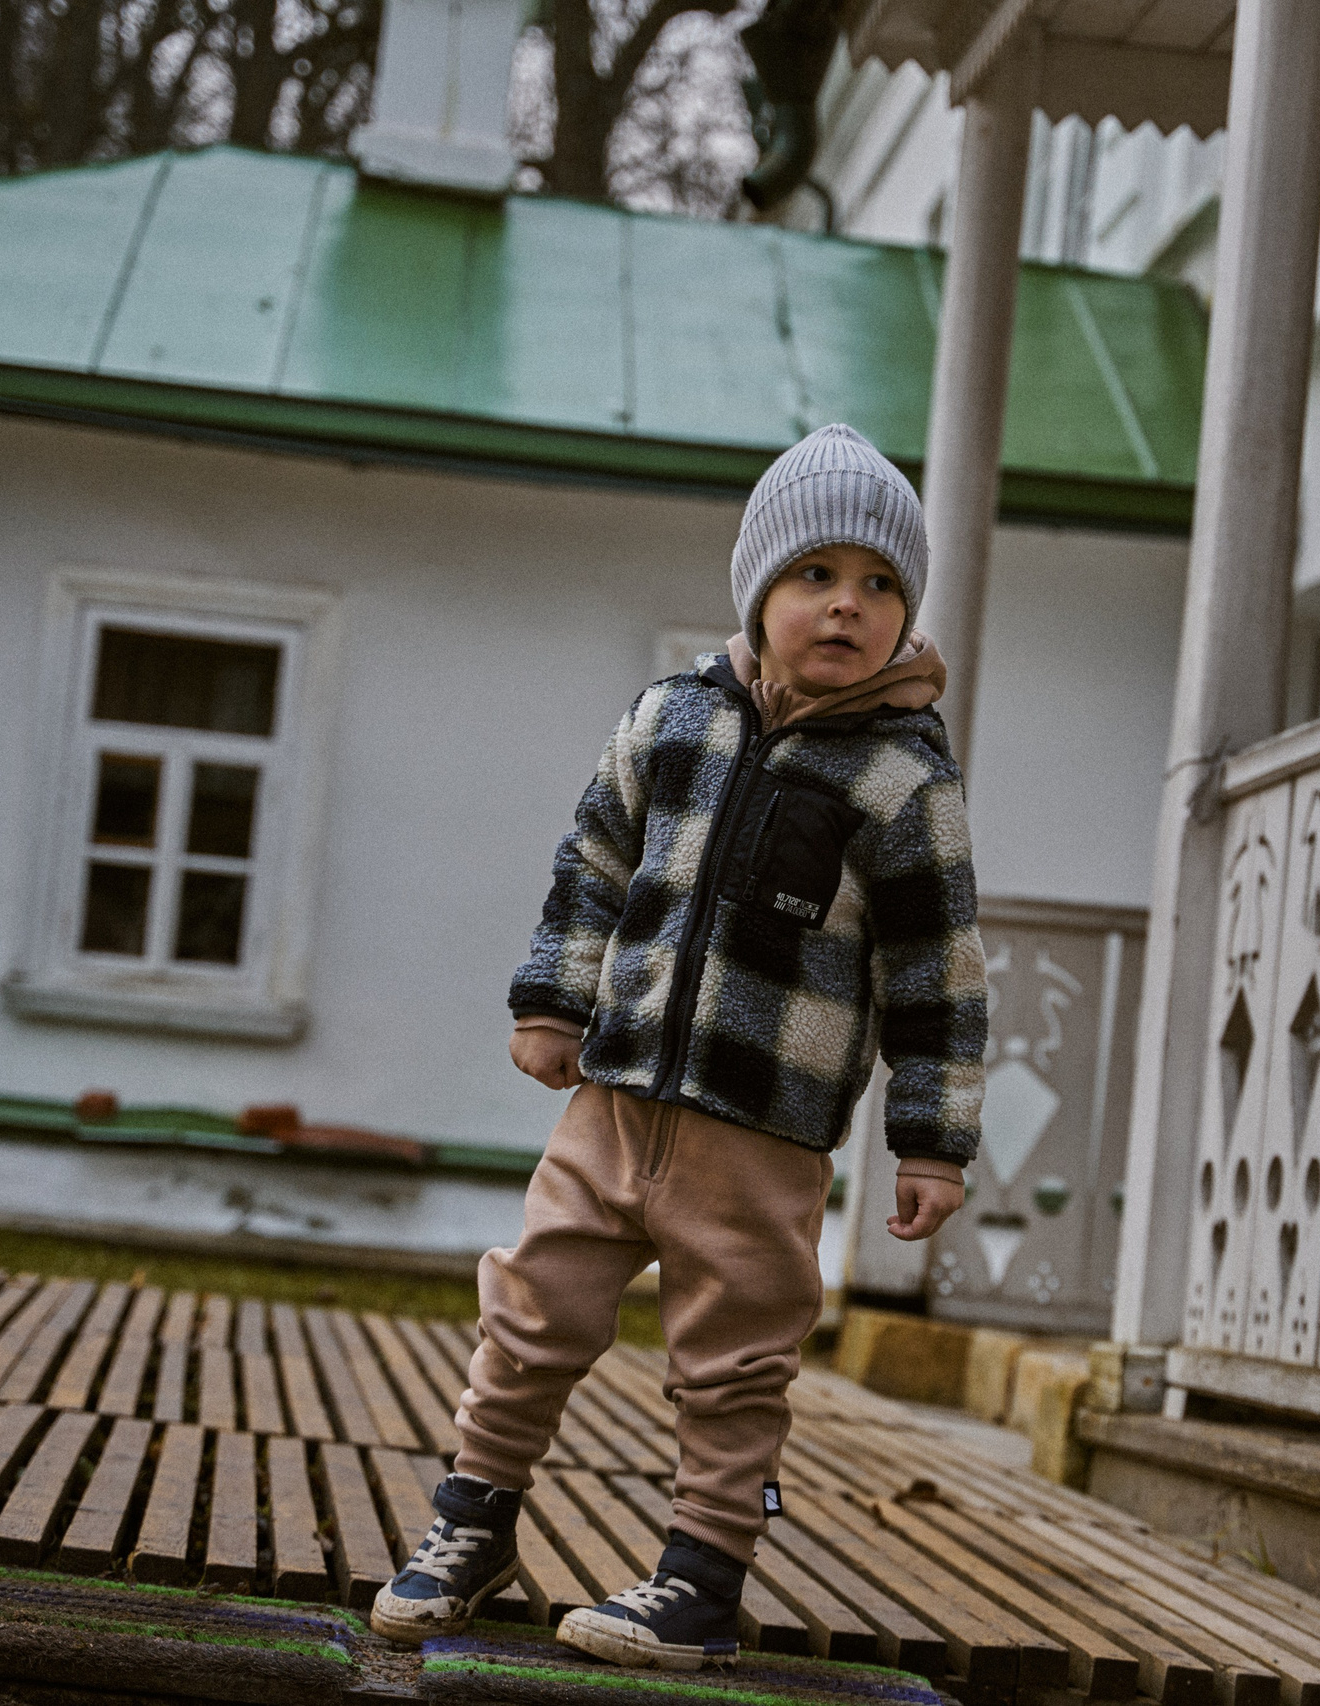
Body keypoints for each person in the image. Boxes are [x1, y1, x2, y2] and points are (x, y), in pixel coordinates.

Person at [369, 423, 987, 1672]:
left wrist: (930, 1137)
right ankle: (472, 1523)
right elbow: (593, 866)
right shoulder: (668, 721)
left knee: (734, 1353)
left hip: (760, 1134)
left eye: (879, 586)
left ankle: (700, 1578)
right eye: (815, 574)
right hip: (614, 1097)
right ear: (755, 588)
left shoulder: (900, 782)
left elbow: (936, 974)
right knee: (532, 1307)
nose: (846, 606)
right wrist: (554, 997)